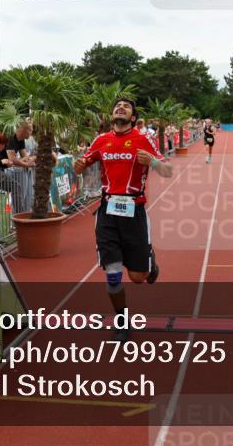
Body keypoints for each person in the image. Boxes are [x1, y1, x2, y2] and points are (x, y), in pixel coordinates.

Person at [73, 98, 172, 341]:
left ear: (133, 118)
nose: (120, 107)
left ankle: (150, 264)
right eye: (117, 105)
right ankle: (122, 321)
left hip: (134, 212)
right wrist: (78, 166)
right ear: (111, 114)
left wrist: (154, 162)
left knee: (138, 278)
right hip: (107, 212)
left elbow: (168, 170)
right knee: (113, 273)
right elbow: (81, 164)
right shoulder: (101, 140)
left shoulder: (142, 139)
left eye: (126, 107)